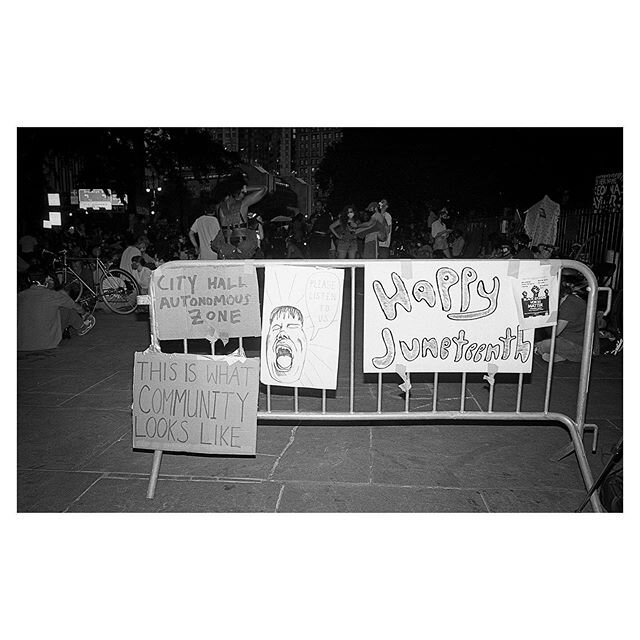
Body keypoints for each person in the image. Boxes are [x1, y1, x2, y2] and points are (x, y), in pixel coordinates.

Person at [18, 269, 95, 351]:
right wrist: (85, 314)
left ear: (29, 279)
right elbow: (75, 307)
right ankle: (81, 326)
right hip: (47, 343)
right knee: (67, 308)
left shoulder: (20, 295)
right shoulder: (53, 295)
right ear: (47, 278)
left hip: (21, 343)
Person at [212, 174, 268, 259]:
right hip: (243, 248)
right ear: (238, 191)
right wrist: (244, 188)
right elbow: (264, 189)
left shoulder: (219, 207)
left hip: (226, 248)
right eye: (243, 192)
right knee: (246, 272)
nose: (244, 194)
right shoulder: (243, 204)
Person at [535, 277, 587, 363]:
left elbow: (556, 331)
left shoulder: (571, 303)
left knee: (545, 345)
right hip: (567, 340)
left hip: (577, 345)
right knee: (545, 345)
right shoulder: (566, 301)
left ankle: (544, 350)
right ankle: (561, 356)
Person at [189, 195, 222, 260]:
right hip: (215, 255)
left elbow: (191, 233)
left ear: (205, 211)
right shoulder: (215, 221)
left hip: (203, 255)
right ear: (214, 211)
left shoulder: (199, 220)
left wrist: (196, 247)